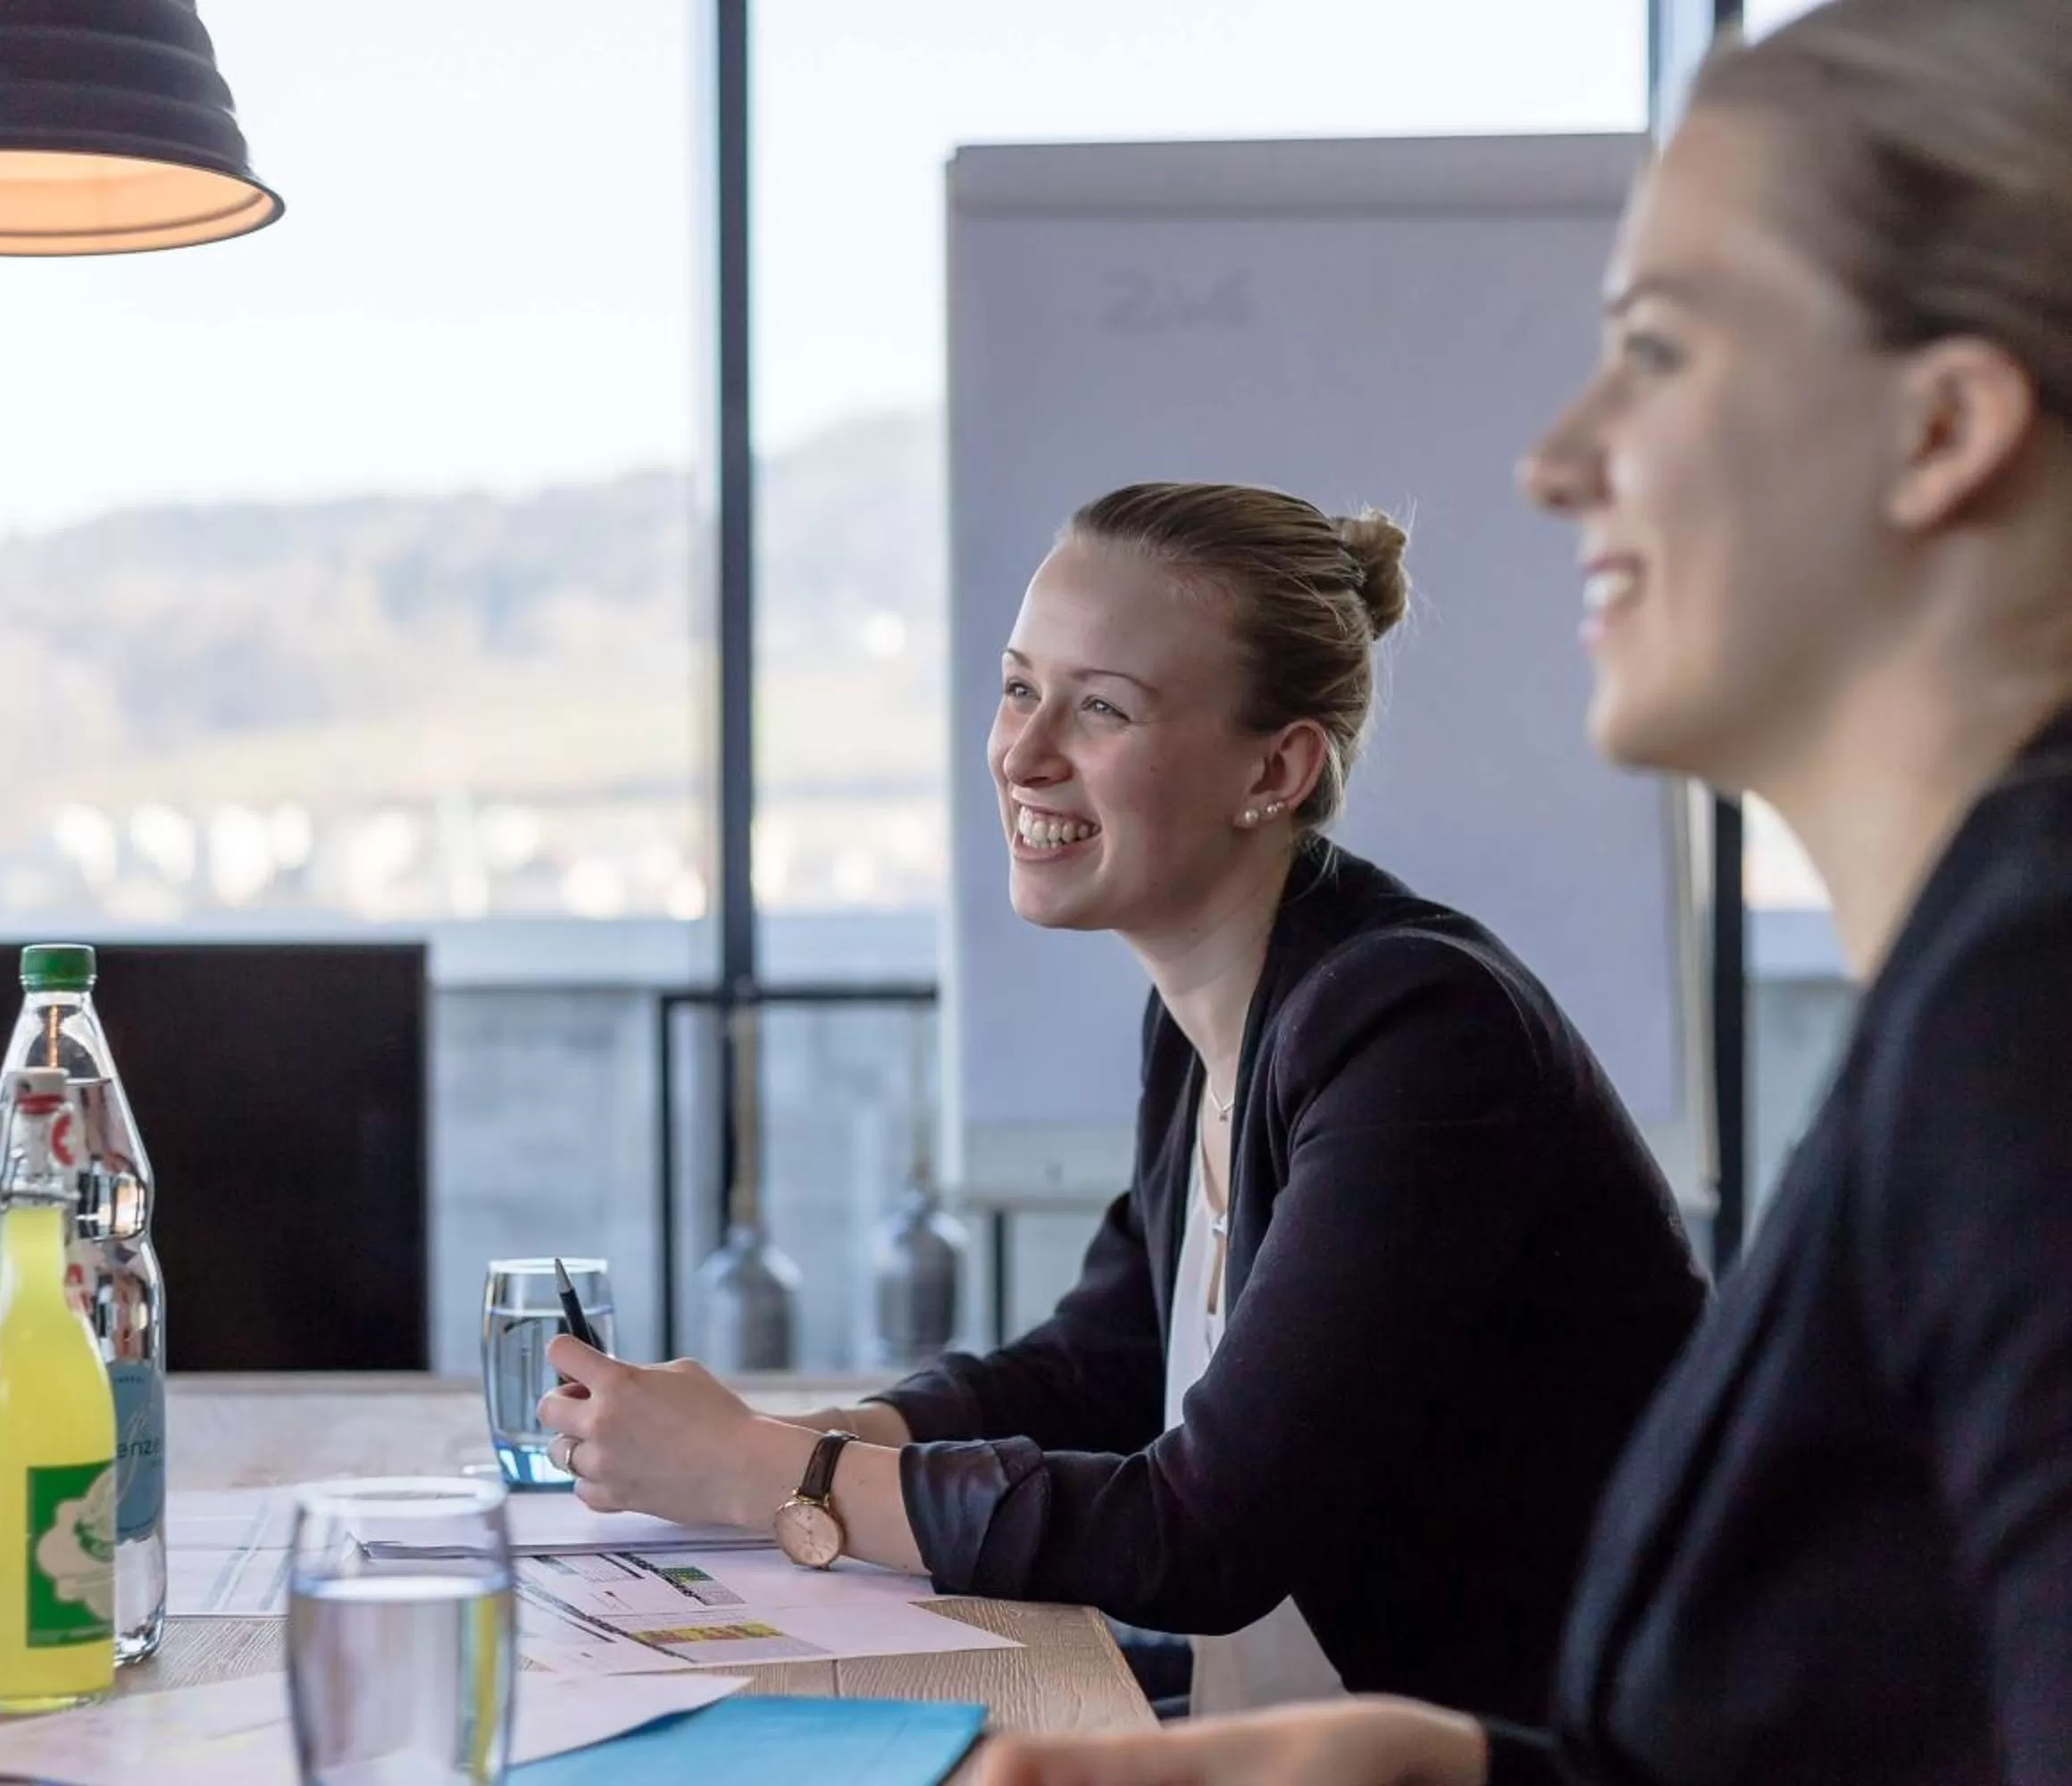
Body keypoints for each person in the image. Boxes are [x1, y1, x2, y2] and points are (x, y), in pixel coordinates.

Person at [973, 2, 2072, 1781]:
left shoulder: (2029, 1013)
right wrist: (1450, 1772)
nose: (1559, 462)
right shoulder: (1973, 979)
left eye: (1657, 351)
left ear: (1942, 426)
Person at [538, 480, 1706, 1725]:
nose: (1025, 752)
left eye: (1102, 708)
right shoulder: (1216, 1010)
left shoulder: (1416, 1031)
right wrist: (815, 1436)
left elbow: (1201, 1532)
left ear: (1277, 766)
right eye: (1018, 686)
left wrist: (770, 1476)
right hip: (1275, 1734)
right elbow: (1098, 1363)